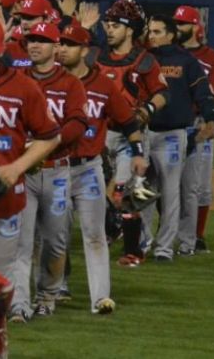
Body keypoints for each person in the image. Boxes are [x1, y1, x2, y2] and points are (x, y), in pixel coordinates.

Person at [0, 16, 60, 332]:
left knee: (4, 266)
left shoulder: (23, 86)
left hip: (5, 192)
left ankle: (8, 314)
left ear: (1, 50)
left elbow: (50, 135)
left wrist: (16, 167)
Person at [57, 20, 144, 313]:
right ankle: (56, 288)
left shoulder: (103, 85)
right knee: (55, 234)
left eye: (68, 44)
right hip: (53, 168)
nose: (61, 49)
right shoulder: (47, 81)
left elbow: (129, 122)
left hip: (88, 169)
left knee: (94, 234)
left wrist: (139, 153)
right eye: (60, 43)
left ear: (85, 51)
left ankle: (100, 298)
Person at [11, 22, 89, 320]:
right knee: (22, 240)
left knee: (56, 241)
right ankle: (19, 303)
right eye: (31, 40)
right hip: (25, 173)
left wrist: (49, 139)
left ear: (55, 47)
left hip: (57, 171)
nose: (35, 45)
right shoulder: (16, 81)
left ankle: (48, 295)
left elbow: (78, 122)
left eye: (43, 40)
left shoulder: (71, 84)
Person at [94, 0, 169, 268]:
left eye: (115, 26)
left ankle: (134, 250)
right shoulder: (96, 56)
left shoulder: (144, 59)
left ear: (130, 30)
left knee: (128, 194)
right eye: (108, 25)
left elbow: (163, 93)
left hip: (132, 135)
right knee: (100, 192)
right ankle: (118, 233)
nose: (109, 30)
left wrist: (146, 111)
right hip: (101, 134)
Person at [142, 14, 214, 262]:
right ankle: (142, 244)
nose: (151, 36)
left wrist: (212, 118)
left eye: (157, 31)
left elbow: (203, 93)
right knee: (142, 192)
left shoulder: (186, 61)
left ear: (170, 34)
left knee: (171, 192)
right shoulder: (144, 59)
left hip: (173, 135)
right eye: (149, 31)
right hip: (144, 132)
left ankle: (164, 248)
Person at [174, 6, 214, 254]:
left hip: (200, 123)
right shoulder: (170, 54)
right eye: (175, 23)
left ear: (196, 27)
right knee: (169, 184)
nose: (177, 28)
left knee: (201, 186)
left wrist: (211, 123)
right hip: (174, 124)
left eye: (182, 23)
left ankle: (197, 236)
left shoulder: (211, 57)